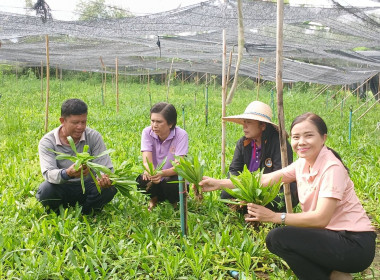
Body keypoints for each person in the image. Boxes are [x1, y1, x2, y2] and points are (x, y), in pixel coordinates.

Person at [245, 113, 376, 280]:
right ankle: (335, 276)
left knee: (278, 238)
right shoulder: (303, 163)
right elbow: (265, 179)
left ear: (323, 138)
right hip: (333, 237)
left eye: (308, 135)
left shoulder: (332, 168)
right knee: (282, 239)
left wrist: (273, 216)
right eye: (296, 137)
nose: (301, 142)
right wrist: (219, 183)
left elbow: (321, 218)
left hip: (354, 245)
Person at [199, 101, 298, 212]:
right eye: (244, 122)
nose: (244, 126)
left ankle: (252, 208)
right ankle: (248, 207)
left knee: (279, 199)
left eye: (249, 122)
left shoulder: (280, 145)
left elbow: (279, 179)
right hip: (246, 188)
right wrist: (245, 192)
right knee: (226, 194)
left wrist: (256, 196)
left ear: (263, 125)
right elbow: (234, 170)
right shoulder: (243, 143)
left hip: (271, 191)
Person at [36, 99, 117, 214]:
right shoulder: (47, 141)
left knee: (109, 189)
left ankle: (87, 212)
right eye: (75, 123)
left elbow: (105, 166)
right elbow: (48, 173)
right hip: (62, 186)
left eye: (83, 122)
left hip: (88, 187)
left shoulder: (94, 137)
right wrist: (68, 173)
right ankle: (59, 210)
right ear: (62, 121)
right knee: (45, 191)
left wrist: (104, 177)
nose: (80, 127)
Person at [137, 102, 188, 211]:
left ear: (170, 123)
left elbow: (179, 165)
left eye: (159, 122)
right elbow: (146, 161)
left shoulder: (181, 135)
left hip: (170, 176)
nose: (154, 125)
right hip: (155, 175)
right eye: (152, 121)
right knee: (141, 180)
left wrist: (162, 173)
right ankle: (153, 200)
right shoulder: (147, 132)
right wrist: (150, 171)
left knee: (174, 183)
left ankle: (173, 203)